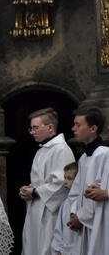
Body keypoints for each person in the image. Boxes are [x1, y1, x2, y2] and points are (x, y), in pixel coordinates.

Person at [19, 108, 75, 255]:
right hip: (36, 208)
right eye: (31, 128)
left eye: (36, 128)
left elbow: (63, 183)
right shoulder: (42, 149)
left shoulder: (61, 150)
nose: (32, 132)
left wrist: (36, 192)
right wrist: (29, 189)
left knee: (46, 247)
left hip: (50, 213)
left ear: (50, 127)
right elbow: (42, 180)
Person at [66, 107, 107, 253]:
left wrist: (80, 217)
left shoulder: (104, 155)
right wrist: (73, 213)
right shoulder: (84, 157)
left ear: (93, 128)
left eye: (78, 125)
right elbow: (75, 192)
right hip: (83, 223)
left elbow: (95, 193)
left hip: (99, 222)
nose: (73, 129)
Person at [52, 162, 79, 255]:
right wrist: (59, 249)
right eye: (65, 177)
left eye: (70, 178)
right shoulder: (65, 203)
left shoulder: (83, 202)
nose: (65, 181)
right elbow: (58, 230)